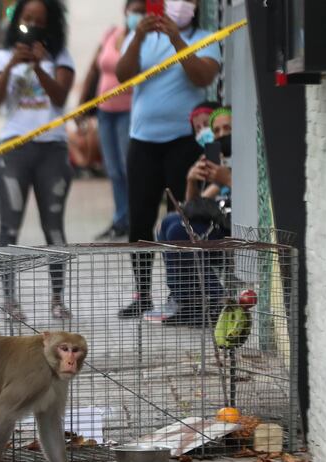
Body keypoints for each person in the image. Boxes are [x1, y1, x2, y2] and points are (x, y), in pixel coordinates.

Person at [115, 0, 221, 318]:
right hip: (143, 141)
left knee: (181, 218)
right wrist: (137, 38)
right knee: (140, 220)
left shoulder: (206, 37)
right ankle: (142, 292)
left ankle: (184, 292)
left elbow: (202, 77)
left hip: (184, 142)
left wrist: (177, 39)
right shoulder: (141, 39)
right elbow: (123, 76)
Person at [0, 0, 76, 321]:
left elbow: (60, 97)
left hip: (51, 149)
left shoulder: (60, 56)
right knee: (8, 229)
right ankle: (10, 301)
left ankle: (57, 299)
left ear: (51, 23)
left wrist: (40, 65)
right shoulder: (1, 56)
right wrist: (12, 64)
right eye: (27, 19)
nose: (32, 25)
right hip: (14, 149)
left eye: (40, 20)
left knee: (53, 228)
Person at [152, 105, 233, 326]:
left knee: (179, 230)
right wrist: (192, 181)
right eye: (216, 131)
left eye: (227, 128)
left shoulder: (243, 161)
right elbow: (192, 207)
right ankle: (184, 300)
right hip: (216, 222)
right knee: (170, 220)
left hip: (235, 228)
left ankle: (219, 300)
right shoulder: (218, 159)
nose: (221, 135)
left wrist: (227, 180)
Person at [80, 0, 146, 240]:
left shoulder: (145, 40)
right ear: (125, 11)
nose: (136, 16)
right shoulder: (111, 33)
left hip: (128, 111)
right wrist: (82, 104)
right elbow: (94, 69)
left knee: (129, 168)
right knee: (113, 168)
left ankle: (133, 217)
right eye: (133, 11)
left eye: (141, 12)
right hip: (104, 112)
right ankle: (120, 218)